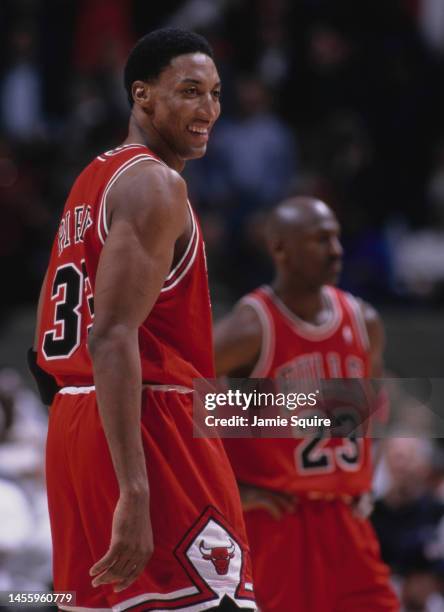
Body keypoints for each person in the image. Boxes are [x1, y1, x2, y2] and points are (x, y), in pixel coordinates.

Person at [28, 29, 256, 612]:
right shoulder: (156, 184)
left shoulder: (91, 181)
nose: (208, 109)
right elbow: (111, 335)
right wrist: (133, 486)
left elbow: (51, 347)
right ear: (142, 96)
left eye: (215, 92)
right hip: (146, 425)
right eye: (188, 91)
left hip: (80, 420)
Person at [214, 197, 399, 611]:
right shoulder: (250, 326)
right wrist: (230, 491)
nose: (336, 249)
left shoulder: (363, 319)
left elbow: (377, 406)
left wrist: (366, 476)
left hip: (348, 520)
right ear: (280, 249)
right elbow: (173, 400)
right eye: (320, 239)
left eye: (335, 237)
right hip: (279, 520)